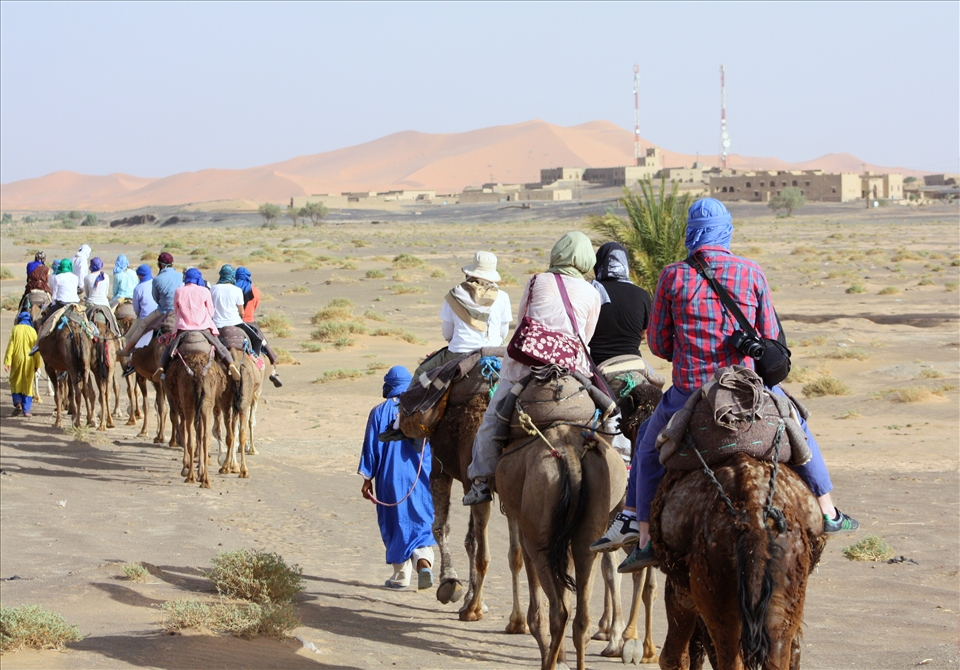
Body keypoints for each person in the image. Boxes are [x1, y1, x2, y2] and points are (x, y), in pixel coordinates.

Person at [602, 198, 859, 574]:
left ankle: (641, 536)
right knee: (796, 423)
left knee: (645, 446)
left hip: (690, 392)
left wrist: (690, 350)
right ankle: (828, 509)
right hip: (748, 389)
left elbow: (659, 344)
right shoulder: (751, 272)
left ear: (691, 232)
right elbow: (770, 336)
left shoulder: (674, 275)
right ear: (726, 230)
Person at [463, 232, 601, 505]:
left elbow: (522, 319)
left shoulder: (537, 280)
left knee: (491, 420)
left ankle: (479, 482)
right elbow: (587, 336)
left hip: (527, 366)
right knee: (607, 418)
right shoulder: (592, 292)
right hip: (571, 368)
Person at [359, 366, 436, 589]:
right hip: (420, 478)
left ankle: (401, 576)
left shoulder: (379, 411)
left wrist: (366, 480)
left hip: (389, 479)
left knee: (395, 523)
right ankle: (424, 562)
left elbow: (370, 448)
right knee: (420, 519)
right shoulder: (423, 408)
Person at [587, 242, 653, 464]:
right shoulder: (642, 295)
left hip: (598, 368)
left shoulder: (591, 291)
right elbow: (645, 335)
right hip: (636, 365)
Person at [155, 268, 240, 382]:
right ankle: (230, 364)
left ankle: (162, 367)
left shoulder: (179, 291)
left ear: (186, 278)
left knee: (170, 348)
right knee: (220, 347)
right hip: (203, 327)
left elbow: (176, 310)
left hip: (183, 328)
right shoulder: (204, 291)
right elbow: (211, 311)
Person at [117, 252, 182, 361]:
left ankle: (126, 349)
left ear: (160, 265)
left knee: (143, 324)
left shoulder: (157, 280)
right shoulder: (181, 276)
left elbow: (156, 298)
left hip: (163, 311)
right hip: (178, 310)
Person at [234, 266, 282, 388]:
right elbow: (254, 308)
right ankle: (273, 371)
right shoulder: (256, 291)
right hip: (250, 322)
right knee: (264, 344)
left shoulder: (232, 289)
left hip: (234, 322)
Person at [4, 312, 43, 417]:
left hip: (16, 359)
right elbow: (36, 350)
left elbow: (10, 346)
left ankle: (17, 402)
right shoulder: (33, 331)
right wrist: (37, 364)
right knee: (27, 383)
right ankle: (26, 411)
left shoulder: (15, 329)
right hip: (29, 361)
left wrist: (7, 362)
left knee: (15, 380)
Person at [33, 259, 81, 343]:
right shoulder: (75, 277)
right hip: (75, 304)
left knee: (43, 322)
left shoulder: (57, 277)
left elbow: (54, 295)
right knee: (87, 322)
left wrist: (53, 305)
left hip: (61, 304)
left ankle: (37, 344)